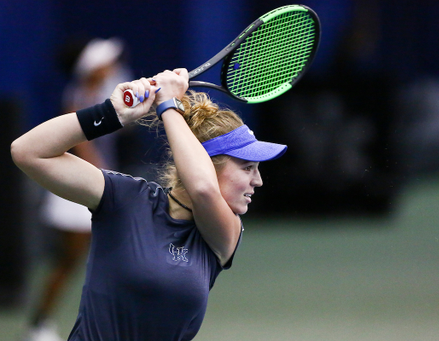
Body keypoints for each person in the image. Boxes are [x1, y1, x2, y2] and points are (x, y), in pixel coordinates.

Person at [11, 68, 287, 340]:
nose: (258, 181)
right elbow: (28, 152)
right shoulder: (124, 197)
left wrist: (168, 105)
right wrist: (111, 113)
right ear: (209, 161)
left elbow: (203, 188)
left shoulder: (225, 232)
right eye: (248, 167)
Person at [22, 37, 133, 341]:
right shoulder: (80, 98)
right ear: (92, 69)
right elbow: (86, 151)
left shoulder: (103, 92)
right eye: (106, 63)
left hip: (98, 187)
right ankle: (39, 325)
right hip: (80, 191)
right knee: (70, 263)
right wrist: (109, 186)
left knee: (106, 261)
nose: (114, 67)